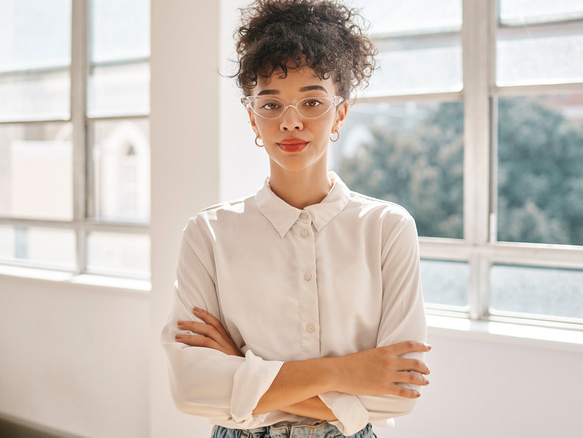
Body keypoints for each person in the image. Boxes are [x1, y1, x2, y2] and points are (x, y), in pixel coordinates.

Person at [160, 1, 430, 437]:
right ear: (252, 118)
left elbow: (395, 393)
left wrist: (241, 375)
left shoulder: (387, 229)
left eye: (312, 102)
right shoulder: (207, 234)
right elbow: (191, 389)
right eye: (271, 105)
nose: (291, 123)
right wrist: (347, 372)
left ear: (339, 113)